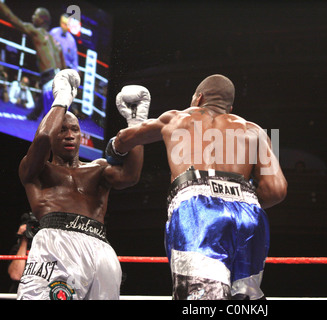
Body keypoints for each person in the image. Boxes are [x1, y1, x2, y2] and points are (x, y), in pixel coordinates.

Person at [106, 74, 287, 300]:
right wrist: (236, 197)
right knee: (245, 302)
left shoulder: (175, 118)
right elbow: (277, 190)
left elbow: (124, 139)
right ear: (230, 107)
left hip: (198, 210)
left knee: (200, 302)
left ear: (198, 98)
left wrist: (119, 142)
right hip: (249, 213)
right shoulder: (257, 131)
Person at [17, 69, 146, 300]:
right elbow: (43, 138)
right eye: (62, 129)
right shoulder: (36, 170)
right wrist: (63, 98)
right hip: (56, 244)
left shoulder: (98, 168)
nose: (69, 135)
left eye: (74, 129)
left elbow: (131, 176)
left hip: (101, 251)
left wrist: (136, 123)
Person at [0, 4, 66, 120]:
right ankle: (34, 115)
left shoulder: (37, 32)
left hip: (50, 82)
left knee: (50, 124)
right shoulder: (54, 41)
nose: (32, 16)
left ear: (42, 19)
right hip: (60, 80)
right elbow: (63, 64)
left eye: (35, 14)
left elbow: (13, 19)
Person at [8, 212, 38, 293]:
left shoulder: (47, 249)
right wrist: (24, 239)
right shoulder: (17, 249)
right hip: (20, 291)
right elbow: (16, 275)